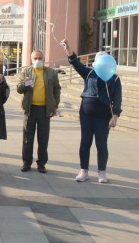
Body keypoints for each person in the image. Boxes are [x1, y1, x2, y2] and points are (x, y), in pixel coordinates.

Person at [62, 39, 122, 183]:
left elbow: (118, 98)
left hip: (103, 116)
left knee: (101, 144)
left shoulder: (114, 78)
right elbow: (75, 62)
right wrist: (68, 48)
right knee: (85, 142)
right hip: (86, 114)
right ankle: (84, 171)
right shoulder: (89, 73)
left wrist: (115, 116)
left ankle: (102, 172)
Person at [16, 50, 61, 173]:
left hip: (44, 110)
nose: (38, 60)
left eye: (40, 58)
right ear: (31, 59)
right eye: (35, 58)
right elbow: (19, 89)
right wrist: (26, 82)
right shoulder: (26, 72)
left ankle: (41, 163)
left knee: (43, 138)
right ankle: (26, 162)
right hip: (29, 109)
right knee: (27, 138)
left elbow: (57, 89)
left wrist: (55, 105)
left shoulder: (51, 73)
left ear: (44, 58)